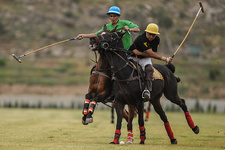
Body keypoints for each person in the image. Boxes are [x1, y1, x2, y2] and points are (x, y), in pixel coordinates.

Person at [128, 23, 173, 100]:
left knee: (149, 69)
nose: (151, 36)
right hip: (132, 57)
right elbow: (151, 53)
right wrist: (165, 59)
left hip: (144, 58)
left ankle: (147, 90)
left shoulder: (157, 40)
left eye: (153, 35)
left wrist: (140, 53)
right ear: (146, 32)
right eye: (149, 34)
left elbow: (152, 54)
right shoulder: (141, 39)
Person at [76, 6, 140, 50]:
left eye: (114, 16)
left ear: (118, 16)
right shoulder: (107, 26)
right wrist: (83, 35)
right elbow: (96, 34)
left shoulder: (125, 23)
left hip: (126, 51)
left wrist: (129, 29)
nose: (112, 18)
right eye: (111, 16)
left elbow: (137, 29)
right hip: (113, 51)